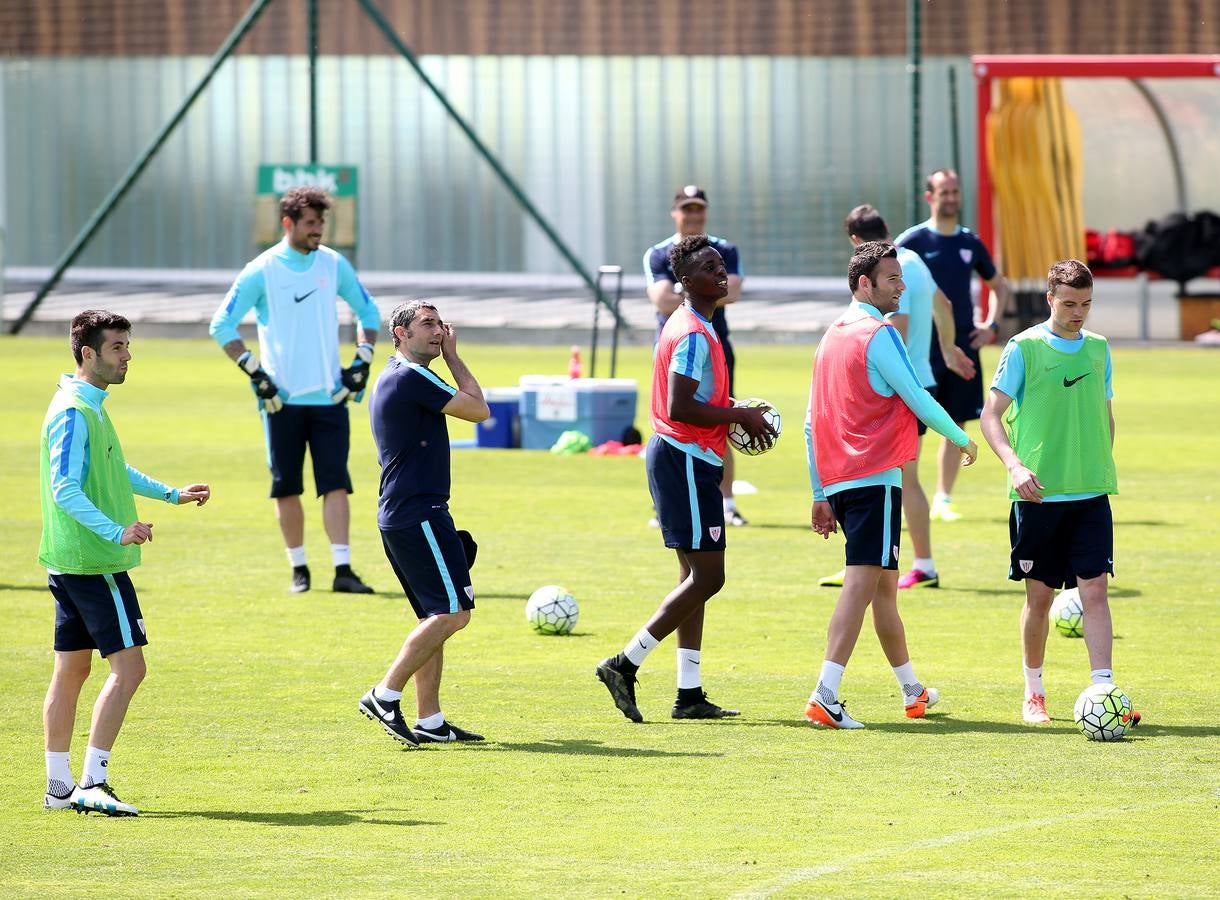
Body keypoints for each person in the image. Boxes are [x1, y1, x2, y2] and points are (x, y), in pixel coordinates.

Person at [597, 235, 775, 723]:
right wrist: (737, 413)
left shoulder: (698, 324)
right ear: (685, 282)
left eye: (721, 265)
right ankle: (624, 663)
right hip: (684, 458)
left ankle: (689, 694)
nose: (721, 273)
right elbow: (680, 404)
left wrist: (731, 413)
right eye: (709, 268)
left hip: (685, 457)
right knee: (709, 577)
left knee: (692, 577)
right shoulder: (694, 331)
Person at [39, 310, 211, 816]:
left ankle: (58, 787)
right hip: (95, 563)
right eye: (118, 347)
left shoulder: (87, 405)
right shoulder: (74, 410)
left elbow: (113, 466)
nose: (127, 356)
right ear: (87, 353)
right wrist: (117, 531)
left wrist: (170, 494)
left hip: (70, 561)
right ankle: (93, 782)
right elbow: (64, 486)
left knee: (70, 672)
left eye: (128, 346)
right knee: (130, 667)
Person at [804, 243, 978, 729]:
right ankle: (825, 693)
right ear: (865, 284)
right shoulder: (878, 333)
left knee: (884, 592)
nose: (902, 287)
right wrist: (962, 437)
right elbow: (918, 397)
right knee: (861, 585)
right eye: (892, 279)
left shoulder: (831, 336)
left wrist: (820, 491)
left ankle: (912, 690)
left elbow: (808, 422)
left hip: (842, 479)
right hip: (876, 479)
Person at [979, 260, 1140, 728]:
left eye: (1086, 304)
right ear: (1049, 298)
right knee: (1040, 599)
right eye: (1069, 304)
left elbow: (1102, 414)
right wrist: (1014, 465)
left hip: (1091, 493)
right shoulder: (1023, 347)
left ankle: (1103, 687)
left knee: (1095, 591)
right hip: (1038, 497)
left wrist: (1096, 462)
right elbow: (991, 417)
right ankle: (1034, 694)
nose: (1078, 313)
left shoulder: (1098, 349)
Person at [210, 186, 381, 595]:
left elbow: (369, 311)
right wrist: (254, 371)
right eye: (310, 223)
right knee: (286, 486)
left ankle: (343, 569)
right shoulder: (262, 269)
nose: (318, 230)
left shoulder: (333, 264)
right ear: (287, 223)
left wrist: (363, 358)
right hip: (280, 401)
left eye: (322, 222)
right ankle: (299, 570)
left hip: (330, 398)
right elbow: (221, 325)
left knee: (335, 483)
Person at [819, 205, 976, 591]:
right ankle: (867, 560)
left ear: (857, 242)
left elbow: (895, 332)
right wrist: (949, 347)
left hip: (900, 390)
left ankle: (916, 563)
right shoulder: (915, 261)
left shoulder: (886, 276)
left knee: (899, 479)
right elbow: (945, 305)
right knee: (895, 479)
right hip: (919, 381)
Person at [358, 300, 490, 747]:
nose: (438, 331)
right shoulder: (411, 376)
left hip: (407, 513)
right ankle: (384, 693)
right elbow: (478, 409)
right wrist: (454, 355)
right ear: (400, 334)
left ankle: (429, 720)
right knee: (454, 613)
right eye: (427, 324)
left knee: (434, 615)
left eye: (440, 324)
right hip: (419, 514)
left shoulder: (401, 375)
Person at [896, 168, 1011, 523]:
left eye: (955, 191)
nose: (951, 198)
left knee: (956, 422)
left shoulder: (969, 242)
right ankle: (906, 492)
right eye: (944, 192)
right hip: (923, 346)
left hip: (963, 342)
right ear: (930, 197)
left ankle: (943, 498)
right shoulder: (911, 242)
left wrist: (990, 326)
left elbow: (1000, 286)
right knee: (911, 420)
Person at [644, 185, 750, 526]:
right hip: (674, 345)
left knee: (721, 413)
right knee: (671, 419)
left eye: (698, 208)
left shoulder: (724, 248)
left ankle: (727, 502)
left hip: (716, 344)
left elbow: (732, 292)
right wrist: (695, 292)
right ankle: (669, 504)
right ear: (675, 212)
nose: (693, 215)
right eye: (686, 209)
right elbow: (660, 299)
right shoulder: (659, 253)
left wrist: (690, 288)